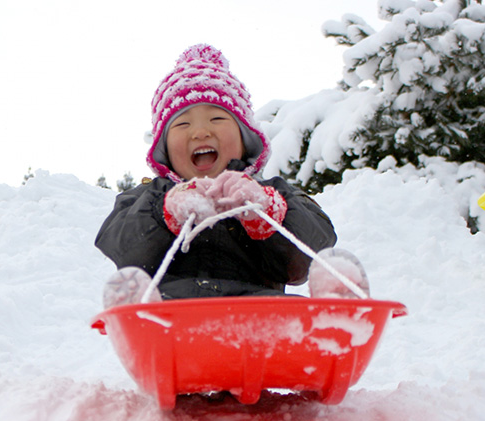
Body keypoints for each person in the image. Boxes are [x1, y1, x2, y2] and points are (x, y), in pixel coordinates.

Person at [95, 44, 368, 308]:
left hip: (258, 312)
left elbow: (309, 254)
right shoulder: (151, 196)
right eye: (183, 123)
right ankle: (133, 318)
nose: (200, 132)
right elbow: (122, 249)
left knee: (307, 287)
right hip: (172, 312)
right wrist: (164, 213)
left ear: (244, 137)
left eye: (217, 119)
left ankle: (335, 310)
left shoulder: (274, 193)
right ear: (164, 147)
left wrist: (269, 212)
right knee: (134, 288)